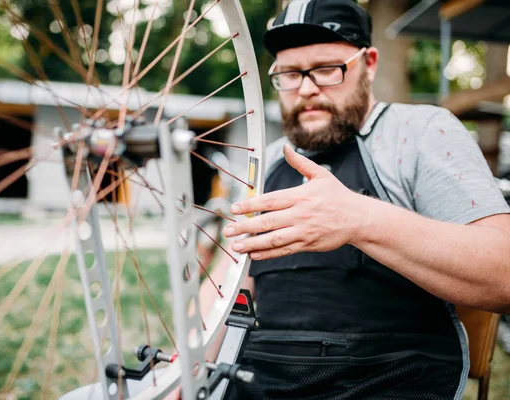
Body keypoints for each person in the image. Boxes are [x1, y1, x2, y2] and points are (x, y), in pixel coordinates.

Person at [209, 0, 510, 398]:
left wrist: (359, 220)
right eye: (289, 74)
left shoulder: (419, 133)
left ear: (368, 63)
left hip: (383, 382)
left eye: (326, 69)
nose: (306, 88)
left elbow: (503, 272)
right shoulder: (267, 162)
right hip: (258, 383)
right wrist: (188, 370)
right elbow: (222, 288)